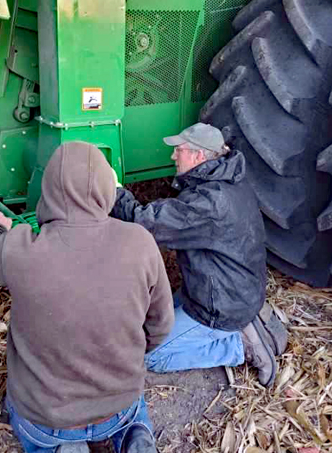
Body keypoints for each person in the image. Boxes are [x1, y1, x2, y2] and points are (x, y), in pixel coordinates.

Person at [0, 142, 174, 453]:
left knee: (19, 408)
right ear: (104, 187)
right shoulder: (140, 242)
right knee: (132, 406)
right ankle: (133, 436)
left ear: (48, 191)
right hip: (118, 406)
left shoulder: (21, 249)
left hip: (48, 418)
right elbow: (161, 325)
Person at [112, 122, 287, 387]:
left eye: (178, 150)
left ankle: (240, 345)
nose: (172, 156)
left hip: (220, 305)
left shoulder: (210, 203)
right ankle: (248, 320)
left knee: (153, 356)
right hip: (231, 288)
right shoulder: (227, 180)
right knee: (154, 322)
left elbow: (145, 222)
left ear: (199, 156)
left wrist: (114, 191)